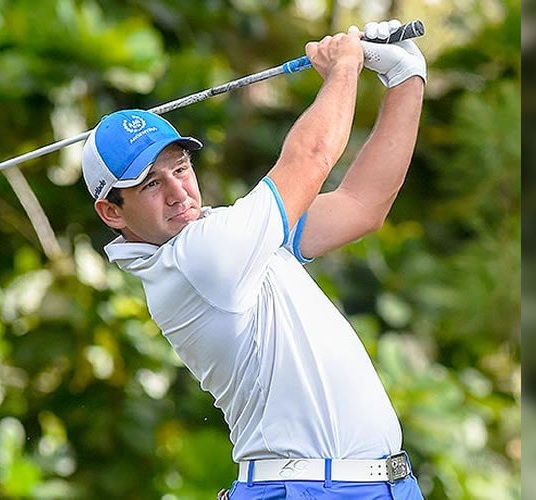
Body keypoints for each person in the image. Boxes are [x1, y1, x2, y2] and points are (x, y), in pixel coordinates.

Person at [81, 20, 427, 500]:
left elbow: (361, 206)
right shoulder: (194, 259)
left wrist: (406, 79)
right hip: (307, 490)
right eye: (151, 184)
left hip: (385, 485)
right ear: (111, 212)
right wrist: (343, 68)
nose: (180, 192)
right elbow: (311, 157)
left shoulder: (232, 234)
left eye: (180, 168)